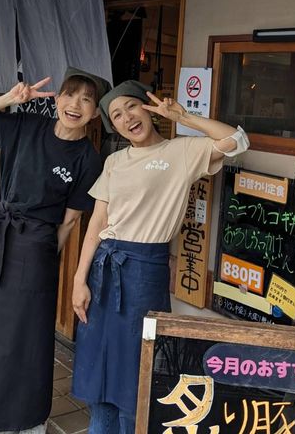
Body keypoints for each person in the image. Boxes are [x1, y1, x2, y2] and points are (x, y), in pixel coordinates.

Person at [71, 80, 249, 433]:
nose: (127, 118)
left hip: (144, 272)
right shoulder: (114, 161)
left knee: (137, 372)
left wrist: (184, 117)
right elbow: (97, 225)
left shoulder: (180, 152)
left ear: (148, 108)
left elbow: (236, 140)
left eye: (131, 107)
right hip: (104, 270)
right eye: (116, 115)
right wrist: (79, 280)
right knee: (99, 372)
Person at [0, 67, 111, 434]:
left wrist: (45, 259)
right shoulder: (27, 125)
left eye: (86, 100)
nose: (75, 105)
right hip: (1, 236)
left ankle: (25, 419)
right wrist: (9, 99)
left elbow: (70, 221)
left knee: (25, 335)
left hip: (38, 246)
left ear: (94, 114)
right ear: (57, 99)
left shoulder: (89, 159)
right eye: (70, 95)